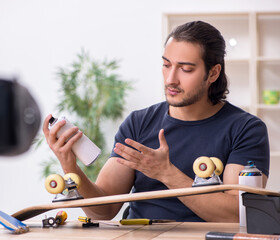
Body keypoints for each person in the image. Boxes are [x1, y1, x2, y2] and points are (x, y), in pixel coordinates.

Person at [43, 21, 270, 222]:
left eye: (186, 69)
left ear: (213, 73)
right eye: (166, 64)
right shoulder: (138, 123)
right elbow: (105, 209)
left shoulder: (246, 129)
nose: (171, 79)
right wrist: (70, 167)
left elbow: (238, 214)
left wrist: (166, 174)